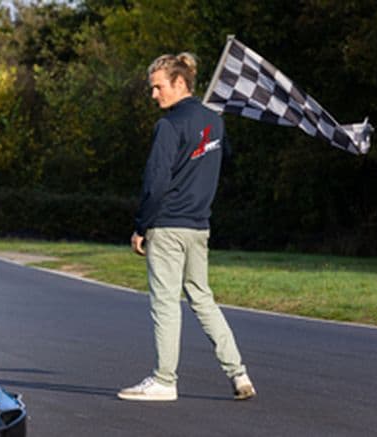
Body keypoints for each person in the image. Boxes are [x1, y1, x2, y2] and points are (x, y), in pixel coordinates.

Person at [117, 53, 255, 402]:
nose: (153, 95)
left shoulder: (168, 125)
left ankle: (164, 380)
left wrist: (140, 227)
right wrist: (210, 126)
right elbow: (229, 160)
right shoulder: (215, 121)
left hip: (167, 226)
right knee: (202, 299)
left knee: (165, 302)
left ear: (179, 83)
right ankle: (238, 374)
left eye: (158, 87)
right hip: (199, 227)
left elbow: (155, 181)